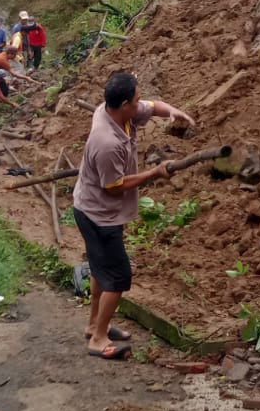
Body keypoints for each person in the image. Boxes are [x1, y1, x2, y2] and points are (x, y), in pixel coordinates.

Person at [72, 70, 195, 360]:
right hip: (98, 215)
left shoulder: (119, 112)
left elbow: (154, 106)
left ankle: (94, 325)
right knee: (118, 277)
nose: (141, 103)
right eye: (136, 99)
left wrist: (173, 112)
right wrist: (154, 172)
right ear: (124, 103)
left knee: (101, 271)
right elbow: (114, 188)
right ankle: (98, 339)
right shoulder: (106, 142)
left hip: (98, 210)